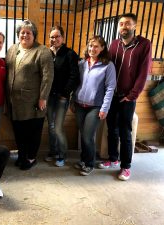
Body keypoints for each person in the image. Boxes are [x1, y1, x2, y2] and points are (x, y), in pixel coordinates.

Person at [98, 13, 152, 181]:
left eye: (127, 24)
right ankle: (113, 158)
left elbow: (144, 72)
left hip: (128, 97)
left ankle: (126, 166)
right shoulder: (114, 45)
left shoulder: (144, 45)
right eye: (121, 24)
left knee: (125, 131)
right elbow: (106, 66)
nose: (124, 27)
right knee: (111, 128)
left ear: (134, 26)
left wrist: (132, 95)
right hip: (112, 95)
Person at [6, 20, 54, 170]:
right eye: (22, 32)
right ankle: (22, 155)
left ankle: (31, 157)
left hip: (33, 101)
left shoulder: (42, 51)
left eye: (28, 32)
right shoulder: (13, 49)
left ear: (34, 35)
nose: (25, 35)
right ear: (18, 34)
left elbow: (48, 76)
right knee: (19, 131)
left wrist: (43, 97)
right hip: (14, 101)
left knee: (32, 131)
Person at [72, 35, 116, 176]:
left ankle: (89, 164)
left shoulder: (108, 65)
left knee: (87, 136)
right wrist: (73, 100)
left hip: (95, 107)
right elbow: (77, 83)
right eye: (91, 45)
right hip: (79, 105)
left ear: (102, 48)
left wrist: (105, 108)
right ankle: (84, 160)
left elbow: (110, 88)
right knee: (83, 135)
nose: (92, 49)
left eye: (96, 46)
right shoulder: (82, 63)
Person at [45, 25, 80, 167]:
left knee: (58, 127)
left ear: (63, 38)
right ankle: (53, 151)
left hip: (61, 97)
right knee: (51, 125)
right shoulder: (47, 53)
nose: (55, 39)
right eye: (52, 37)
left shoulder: (70, 54)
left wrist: (65, 94)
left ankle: (62, 154)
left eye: (57, 36)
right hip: (48, 96)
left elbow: (74, 76)